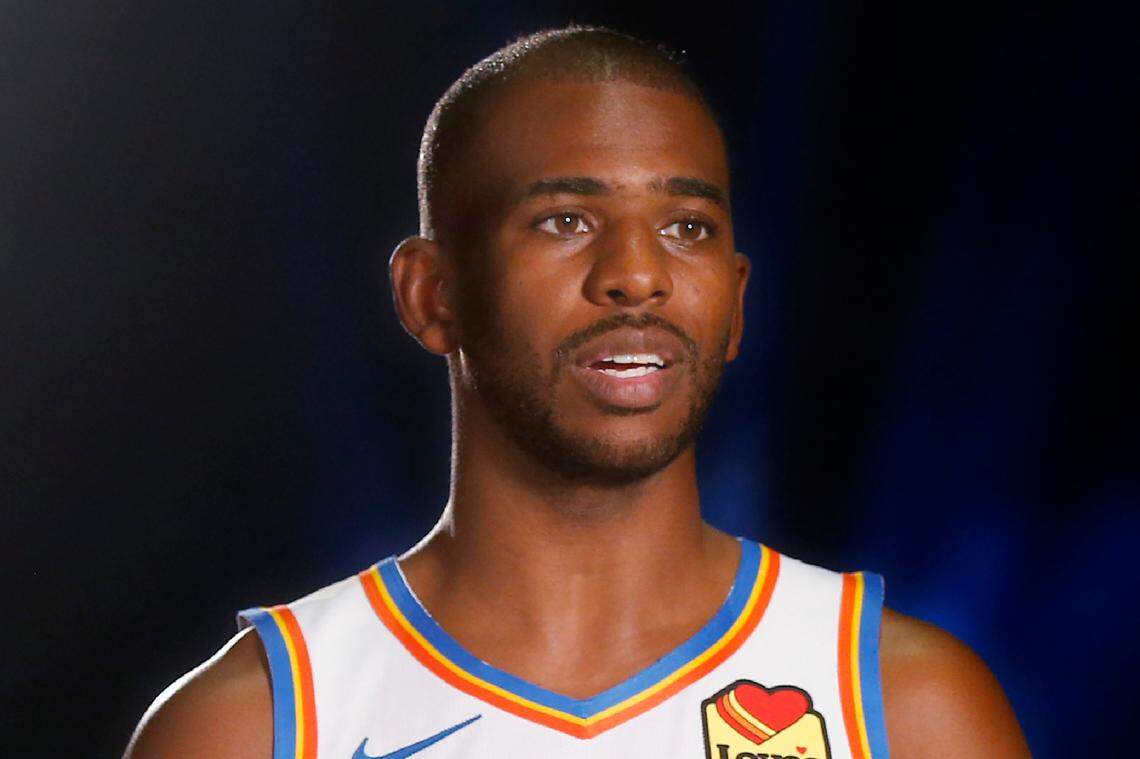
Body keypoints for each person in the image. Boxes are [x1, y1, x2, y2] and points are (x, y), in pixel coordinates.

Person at [126, 26, 1030, 759]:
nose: (638, 275)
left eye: (687, 226)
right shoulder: (258, 726)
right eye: (566, 220)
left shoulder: (905, 709)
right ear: (431, 295)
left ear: (738, 304)